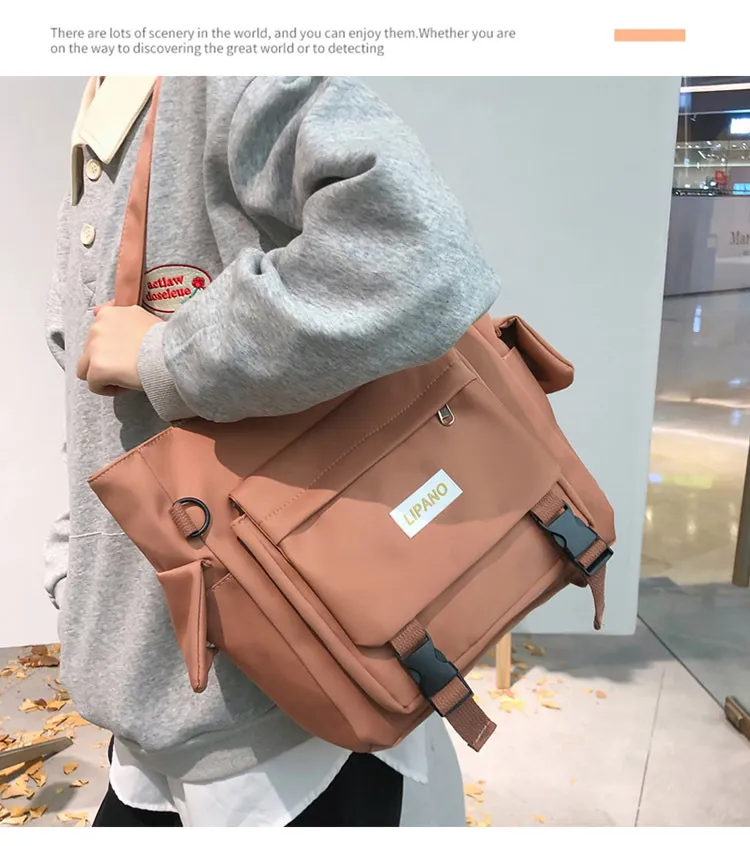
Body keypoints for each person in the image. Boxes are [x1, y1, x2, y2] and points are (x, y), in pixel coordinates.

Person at [44, 75, 502, 827]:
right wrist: (77, 575)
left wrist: (168, 354)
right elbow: (91, 396)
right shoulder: (108, 93)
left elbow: (422, 258)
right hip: (154, 704)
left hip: (288, 724)